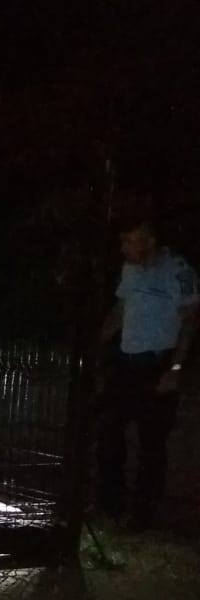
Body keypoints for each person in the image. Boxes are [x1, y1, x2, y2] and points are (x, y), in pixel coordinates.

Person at [96, 215, 198, 529]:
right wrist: (97, 345)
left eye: (131, 241)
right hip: (126, 361)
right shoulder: (130, 269)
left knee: (151, 442)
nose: (124, 248)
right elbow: (120, 310)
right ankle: (109, 505)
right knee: (109, 431)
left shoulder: (177, 270)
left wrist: (175, 368)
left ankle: (141, 515)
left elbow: (191, 321)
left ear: (149, 241)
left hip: (157, 364)